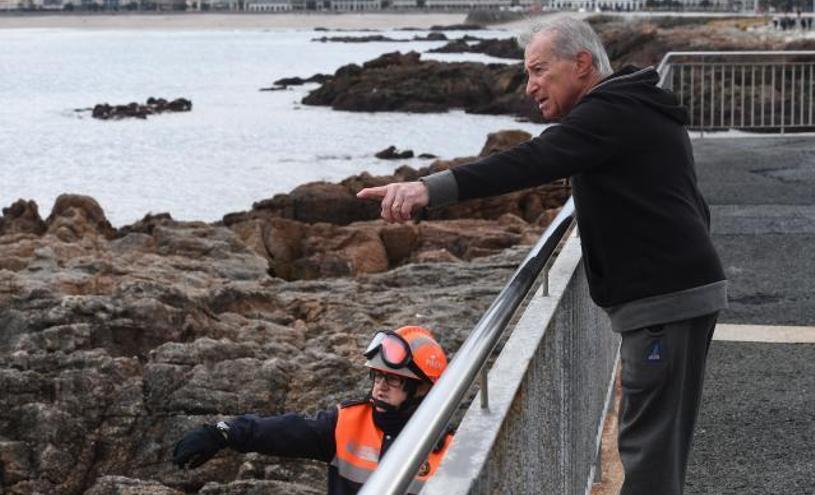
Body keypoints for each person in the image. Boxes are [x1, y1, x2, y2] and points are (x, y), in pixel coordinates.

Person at [356, 16, 727, 495]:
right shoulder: (631, 106)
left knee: (649, 455)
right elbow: (690, 203)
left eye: (537, 70)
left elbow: (528, 162)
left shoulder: (607, 114)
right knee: (657, 446)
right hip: (679, 295)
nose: (529, 86)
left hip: (664, 303)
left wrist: (426, 188)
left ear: (581, 63)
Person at [172, 325, 452, 495]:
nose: (380, 386)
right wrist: (223, 433)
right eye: (377, 377)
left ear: (423, 388)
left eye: (393, 379)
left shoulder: (450, 450)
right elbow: (287, 430)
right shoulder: (348, 423)